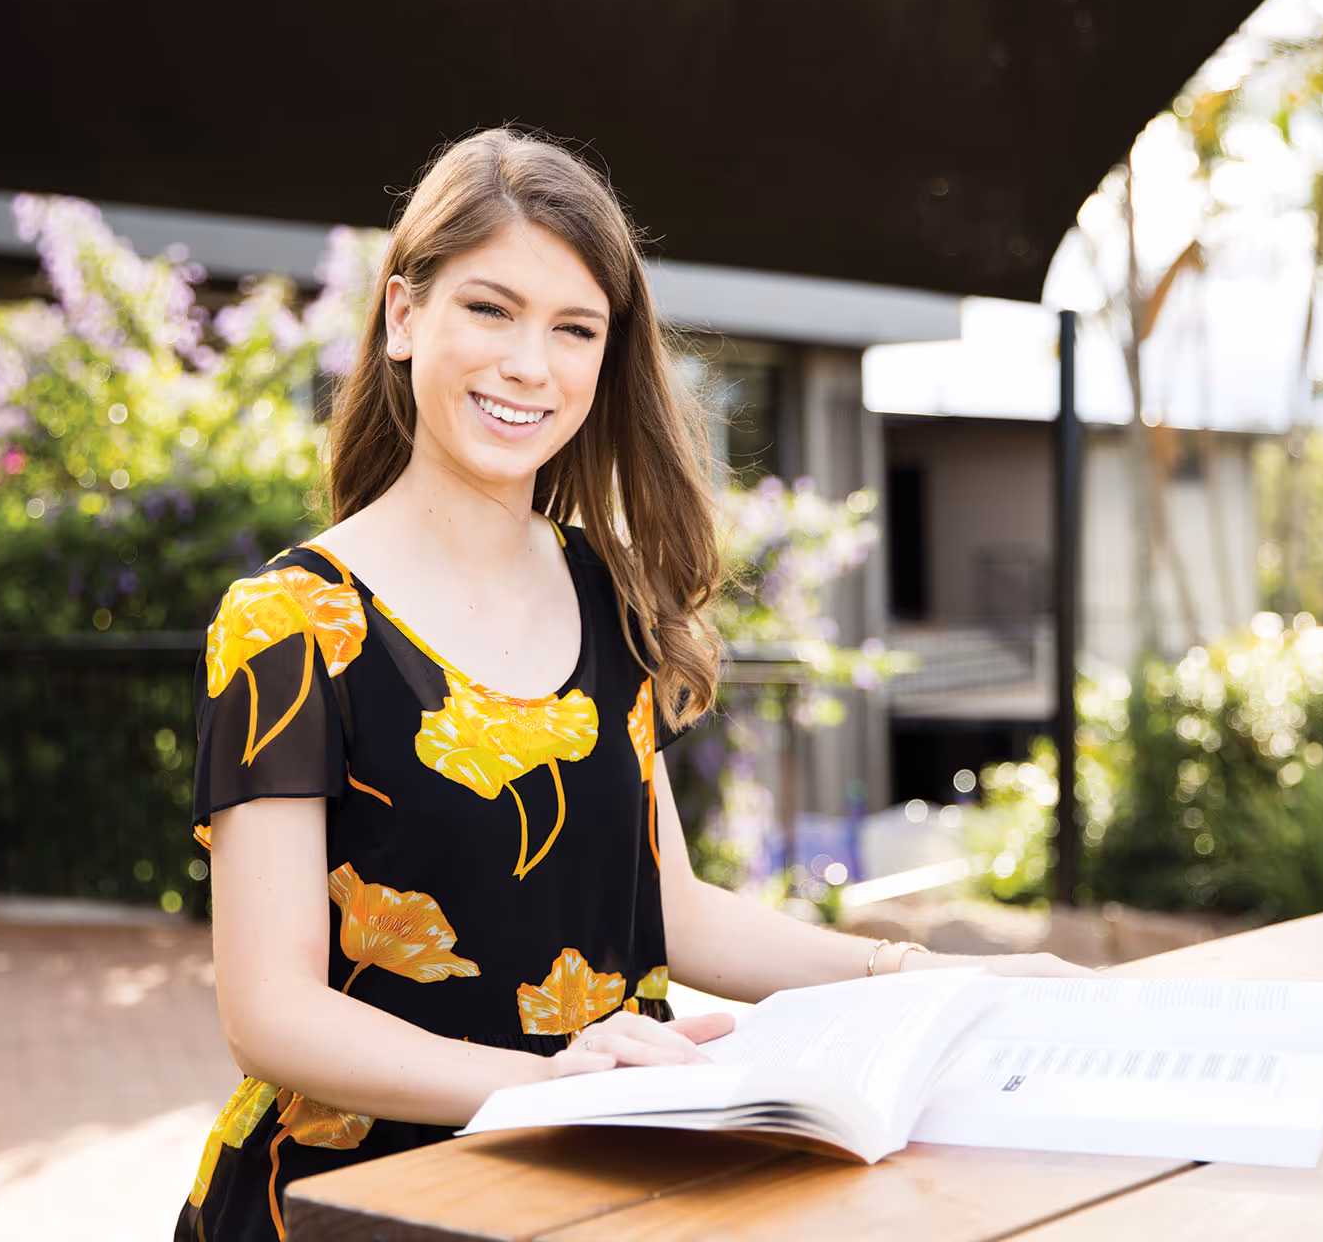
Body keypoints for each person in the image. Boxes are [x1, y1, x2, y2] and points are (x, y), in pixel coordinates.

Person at [173, 126, 1097, 1241]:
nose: (532, 363)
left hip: (606, 1176)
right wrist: (540, 1083)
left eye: (575, 328)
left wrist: (925, 973)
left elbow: (676, 910)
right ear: (405, 316)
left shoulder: (605, 589)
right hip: (353, 1199)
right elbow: (268, 1013)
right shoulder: (288, 624)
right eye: (491, 308)